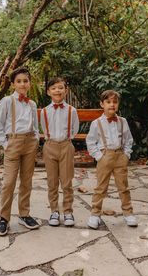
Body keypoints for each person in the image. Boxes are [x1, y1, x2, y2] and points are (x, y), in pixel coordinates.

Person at [0, 67, 40, 236]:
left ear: (29, 83)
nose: (22, 84)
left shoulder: (32, 104)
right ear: (13, 84)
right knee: (9, 182)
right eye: (19, 81)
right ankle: (3, 218)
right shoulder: (6, 101)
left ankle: (24, 214)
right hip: (13, 142)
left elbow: (35, 126)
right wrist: (5, 144)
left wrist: (36, 139)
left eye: (25, 81)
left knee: (26, 180)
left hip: (29, 143)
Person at [86, 89, 138, 229]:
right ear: (102, 104)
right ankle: (95, 214)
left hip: (120, 156)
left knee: (123, 187)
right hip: (105, 157)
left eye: (115, 102)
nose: (112, 105)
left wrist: (126, 154)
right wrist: (99, 157)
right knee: (100, 187)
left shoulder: (123, 121)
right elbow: (90, 142)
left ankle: (128, 213)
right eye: (108, 102)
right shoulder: (97, 123)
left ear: (118, 104)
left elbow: (128, 140)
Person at [40, 77, 79, 227]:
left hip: (66, 146)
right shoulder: (44, 111)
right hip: (49, 146)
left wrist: (66, 140)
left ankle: (68, 211)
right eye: (54, 88)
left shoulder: (71, 110)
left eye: (60, 87)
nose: (57, 90)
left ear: (66, 91)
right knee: (52, 181)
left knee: (67, 181)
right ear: (48, 92)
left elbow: (74, 129)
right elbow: (43, 127)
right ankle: (54, 211)